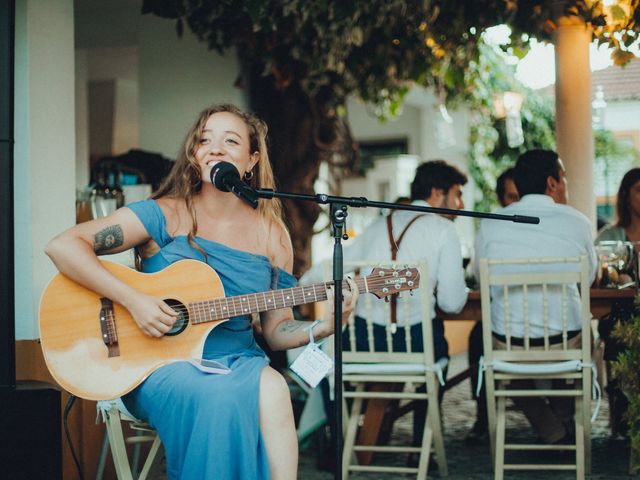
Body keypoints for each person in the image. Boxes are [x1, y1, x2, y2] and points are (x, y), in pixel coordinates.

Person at [44, 104, 358, 480]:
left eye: (230, 140)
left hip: (237, 360)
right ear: (195, 156)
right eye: (205, 140)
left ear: (252, 160)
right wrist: (134, 301)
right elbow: (63, 246)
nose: (215, 148)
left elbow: (276, 330)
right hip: (157, 362)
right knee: (219, 395)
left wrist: (323, 327)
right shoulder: (164, 214)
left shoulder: (272, 235)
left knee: (274, 389)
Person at [302, 160, 469, 468]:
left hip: (364, 346)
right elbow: (451, 303)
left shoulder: (379, 226)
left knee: (326, 359)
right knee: (439, 358)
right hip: (417, 346)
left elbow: (333, 266)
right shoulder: (443, 231)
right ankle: (421, 448)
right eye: (456, 194)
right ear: (436, 192)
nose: (460, 204)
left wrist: (296, 288)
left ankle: (336, 442)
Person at [474, 149, 597, 445]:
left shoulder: (490, 222)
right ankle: (562, 416)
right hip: (566, 342)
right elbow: (589, 279)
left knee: (493, 350)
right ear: (552, 183)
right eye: (564, 178)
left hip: (509, 344)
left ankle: (549, 424)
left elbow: (481, 281)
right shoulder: (578, 222)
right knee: (587, 338)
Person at [465, 166, 519, 445]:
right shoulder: (492, 225)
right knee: (479, 340)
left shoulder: (492, 225)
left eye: (519, 196)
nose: (516, 203)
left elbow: (476, 274)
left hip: (523, 332)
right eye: (511, 197)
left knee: (483, 338)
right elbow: (475, 274)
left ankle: (555, 418)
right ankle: (483, 417)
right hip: (505, 326)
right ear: (501, 199)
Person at [594, 167, 640, 438]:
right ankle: (621, 407)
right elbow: (596, 276)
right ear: (626, 195)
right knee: (616, 325)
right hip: (620, 315)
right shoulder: (609, 237)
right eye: (638, 190)